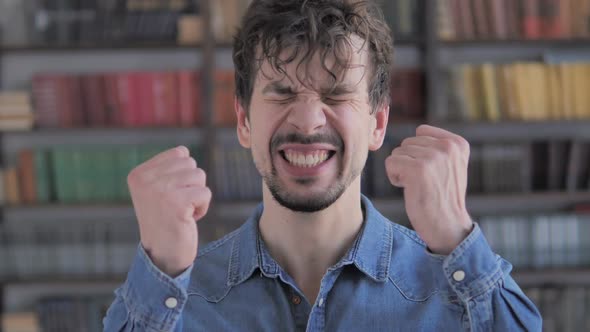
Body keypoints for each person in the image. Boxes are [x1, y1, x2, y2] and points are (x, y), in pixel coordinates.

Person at [103, 0, 542, 330]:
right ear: (243, 121)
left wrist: (458, 237)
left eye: (335, 95)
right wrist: (160, 268)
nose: (308, 120)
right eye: (281, 92)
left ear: (378, 123)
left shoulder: (456, 286)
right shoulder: (171, 297)